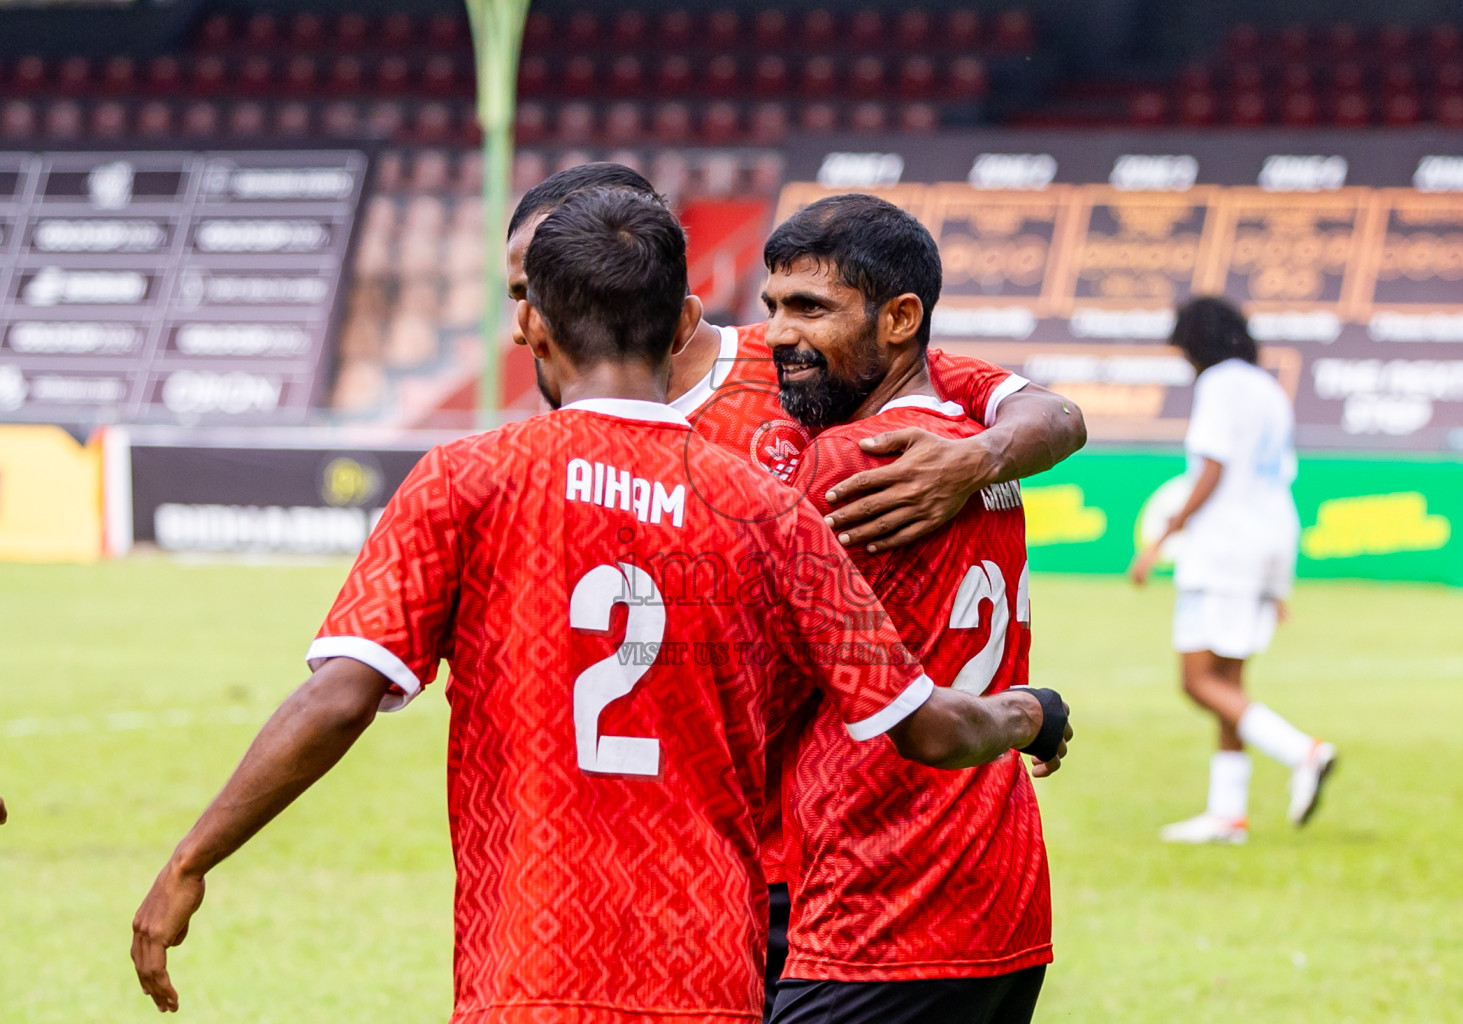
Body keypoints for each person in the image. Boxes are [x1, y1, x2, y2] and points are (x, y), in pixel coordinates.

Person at [130, 188, 1070, 1022]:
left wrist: (190, 859)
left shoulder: (467, 479)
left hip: (539, 953)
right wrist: (1034, 711)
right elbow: (926, 722)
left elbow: (341, 696)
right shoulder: (766, 503)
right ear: (680, 324)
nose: (786, 332)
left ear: (536, 326)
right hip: (720, 952)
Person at [503, 164, 1086, 1016]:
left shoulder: (815, 384)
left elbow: (1053, 415)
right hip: (786, 851)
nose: (528, 320)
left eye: (554, 282)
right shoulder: (574, 438)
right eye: (523, 289)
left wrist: (980, 459)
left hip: (843, 864)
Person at [761, 195, 1055, 1024]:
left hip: (881, 896)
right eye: (774, 308)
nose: (782, 335)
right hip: (998, 893)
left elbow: (752, 681)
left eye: (810, 309)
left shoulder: (854, 458)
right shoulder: (970, 450)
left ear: (900, 319)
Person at [1130, 295, 1337, 845]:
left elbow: (1213, 468)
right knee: (1230, 682)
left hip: (1225, 547)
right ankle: (1228, 814)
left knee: (1196, 681)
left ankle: (1304, 752)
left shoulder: (1220, 384)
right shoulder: (1267, 388)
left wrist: (1162, 540)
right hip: (1268, 541)